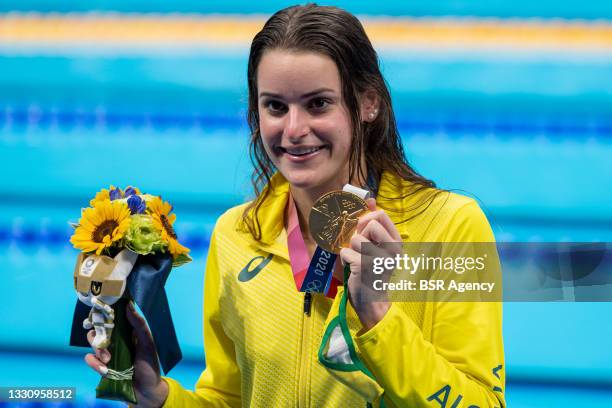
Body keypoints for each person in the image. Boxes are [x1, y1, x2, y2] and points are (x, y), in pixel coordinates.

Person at [85, 4, 505, 407]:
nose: (294, 129)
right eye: (276, 106)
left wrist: (378, 317)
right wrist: (158, 397)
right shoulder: (237, 235)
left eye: (318, 103)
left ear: (368, 103)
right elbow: (230, 400)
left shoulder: (450, 226)